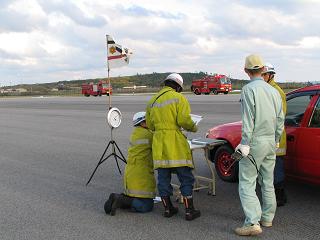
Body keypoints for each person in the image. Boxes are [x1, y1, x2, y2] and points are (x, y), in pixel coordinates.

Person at [234, 55, 284, 236]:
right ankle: (268, 218)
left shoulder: (248, 90)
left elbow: (249, 119)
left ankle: (252, 222)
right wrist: (277, 138)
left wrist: (245, 142)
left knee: (247, 182)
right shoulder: (274, 91)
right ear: (263, 69)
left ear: (246, 71)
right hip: (271, 141)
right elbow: (280, 119)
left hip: (254, 142)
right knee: (267, 181)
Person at [145, 73, 200, 221]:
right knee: (186, 177)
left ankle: (168, 209)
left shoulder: (152, 101)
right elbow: (183, 120)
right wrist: (193, 127)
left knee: (163, 179)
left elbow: (149, 125)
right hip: (175, 144)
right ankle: (189, 210)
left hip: (159, 145)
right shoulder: (179, 98)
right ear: (177, 86)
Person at [104, 112, 156, 215]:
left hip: (131, 171)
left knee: (133, 196)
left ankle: (118, 200)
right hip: (141, 173)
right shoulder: (149, 135)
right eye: (148, 121)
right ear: (142, 123)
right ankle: (119, 199)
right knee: (147, 206)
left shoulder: (135, 133)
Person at [262, 63, 287, 206]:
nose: (262, 77)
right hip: (268, 136)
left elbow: (280, 116)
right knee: (270, 168)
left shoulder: (276, 91)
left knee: (277, 167)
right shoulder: (266, 89)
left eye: (264, 75)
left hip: (276, 137)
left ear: (270, 75)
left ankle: (280, 196)